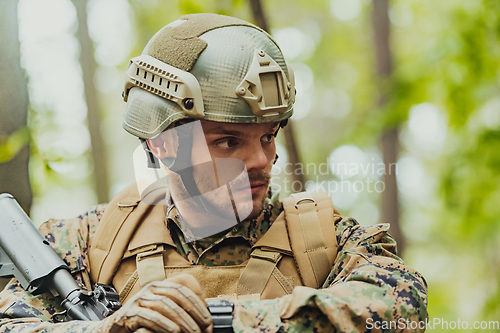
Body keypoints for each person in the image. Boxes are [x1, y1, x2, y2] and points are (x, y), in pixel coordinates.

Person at [0, 13, 428, 333]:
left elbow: (401, 306)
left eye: (268, 136)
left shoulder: (323, 240)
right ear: (164, 145)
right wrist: (109, 327)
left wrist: (222, 319)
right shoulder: (88, 242)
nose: (261, 160)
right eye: (229, 142)